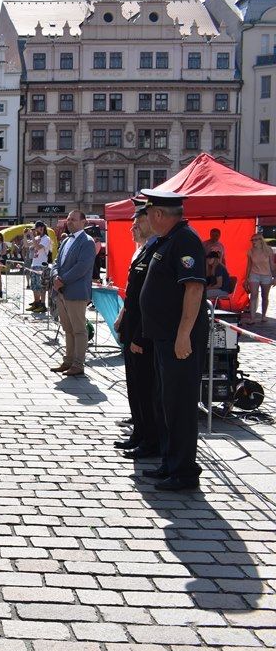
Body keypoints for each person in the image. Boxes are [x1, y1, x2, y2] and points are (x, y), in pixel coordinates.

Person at [137, 189, 207, 492]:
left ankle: (184, 471)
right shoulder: (167, 241)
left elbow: (193, 289)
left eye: (148, 213)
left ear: (157, 215)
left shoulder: (185, 239)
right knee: (165, 402)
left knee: (179, 405)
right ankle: (170, 462)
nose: (146, 219)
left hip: (178, 340)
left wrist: (183, 335)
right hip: (163, 338)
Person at [114, 209, 158, 458]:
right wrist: (122, 320)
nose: (133, 229)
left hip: (142, 332)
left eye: (138, 223)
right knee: (134, 386)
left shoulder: (155, 251)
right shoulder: (141, 250)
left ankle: (150, 439)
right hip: (132, 328)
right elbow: (132, 295)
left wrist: (139, 335)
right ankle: (139, 433)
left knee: (145, 387)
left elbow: (149, 300)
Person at [50, 210, 96, 378]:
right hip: (62, 291)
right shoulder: (66, 240)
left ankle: (78, 363)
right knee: (67, 329)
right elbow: (56, 262)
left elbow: (82, 266)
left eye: (74, 220)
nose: (70, 222)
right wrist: (55, 276)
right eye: (68, 220)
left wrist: (62, 280)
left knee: (79, 329)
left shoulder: (87, 242)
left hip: (75, 291)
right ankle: (68, 360)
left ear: (83, 222)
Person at [244, 232, 276, 324]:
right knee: (253, 295)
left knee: (264, 296)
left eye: (255, 240)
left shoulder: (269, 250)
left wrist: (275, 277)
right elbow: (249, 266)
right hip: (254, 274)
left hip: (267, 275)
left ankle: (263, 315)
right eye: (252, 240)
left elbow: (272, 265)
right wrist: (246, 279)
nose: (253, 242)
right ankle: (252, 318)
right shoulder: (250, 251)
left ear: (260, 240)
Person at [28, 221, 51, 313]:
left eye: (39, 228)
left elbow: (37, 248)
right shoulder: (37, 238)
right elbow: (26, 245)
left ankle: (43, 304)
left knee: (41, 286)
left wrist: (32, 236)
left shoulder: (46, 238)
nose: (37, 229)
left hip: (41, 265)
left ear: (43, 228)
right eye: (36, 228)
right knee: (34, 285)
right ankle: (36, 303)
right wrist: (26, 235)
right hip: (34, 264)